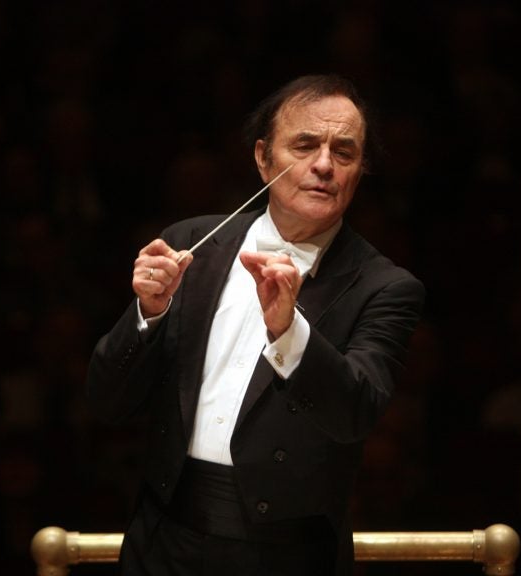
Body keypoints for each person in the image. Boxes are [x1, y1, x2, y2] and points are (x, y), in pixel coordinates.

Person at [86, 74, 425, 576]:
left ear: (360, 170)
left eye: (345, 153)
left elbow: (355, 413)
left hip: (285, 554)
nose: (324, 166)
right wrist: (148, 315)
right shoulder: (191, 243)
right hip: (163, 537)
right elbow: (107, 401)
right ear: (263, 157)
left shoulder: (385, 286)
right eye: (305, 145)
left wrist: (290, 332)